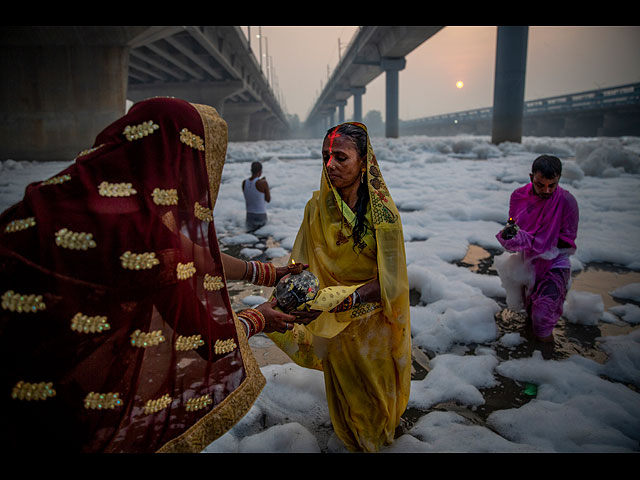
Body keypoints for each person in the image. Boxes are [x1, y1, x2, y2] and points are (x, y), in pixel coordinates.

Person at [0, 97, 311, 453]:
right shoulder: (140, 234)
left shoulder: (68, 190)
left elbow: (191, 253)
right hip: (48, 383)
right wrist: (260, 318)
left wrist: (267, 272)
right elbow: (209, 338)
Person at [267, 122, 411, 452]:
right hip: (331, 323)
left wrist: (352, 297)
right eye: (325, 156)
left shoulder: (383, 217)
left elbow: (392, 280)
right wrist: (293, 297)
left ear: (364, 161)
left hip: (371, 324)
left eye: (340, 157)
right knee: (344, 393)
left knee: (373, 396)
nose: (330, 165)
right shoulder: (316, 209)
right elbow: (301, 265)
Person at [496, 154, 579, 343]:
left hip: (554, 264)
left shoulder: (567, 202)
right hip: (528, 264)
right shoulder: (518, 197)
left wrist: (534, 241)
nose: (546, 190)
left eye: (552, 185)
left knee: (543, 318)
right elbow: (513, 224)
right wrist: (511, 235)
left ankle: (547, 360)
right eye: (540, 184)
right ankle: (531, 359)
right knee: (531, 312)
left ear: (559, 180)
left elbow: (568, 240)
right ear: (531, 177)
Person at [242, 161, 270, 231]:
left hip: (249, 214)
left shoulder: (244, 182)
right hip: (260, 214)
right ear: (260, 172)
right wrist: (265, 184)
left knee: (250, 237)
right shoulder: (263, 183)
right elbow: (268, 199)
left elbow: (251, 194)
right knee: (262, 238)